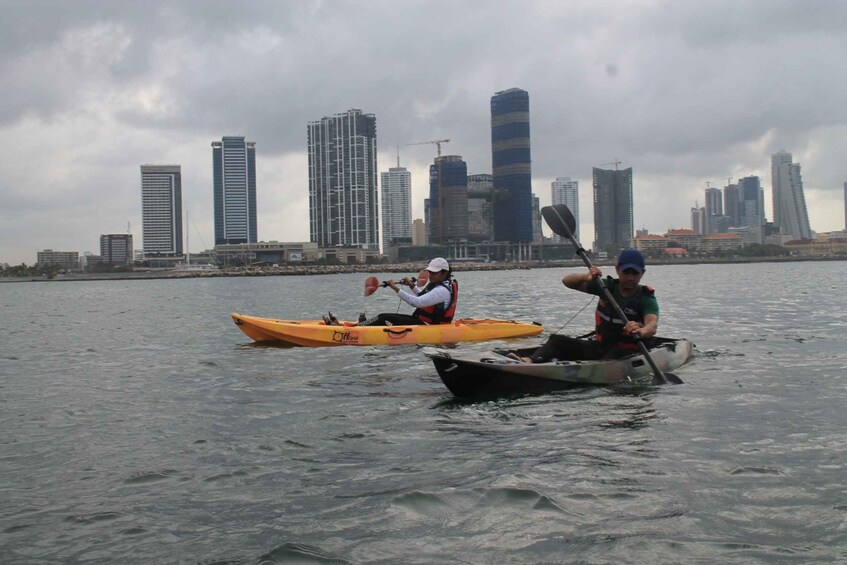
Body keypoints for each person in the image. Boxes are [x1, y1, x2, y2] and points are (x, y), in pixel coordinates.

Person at [527, 248, 659, 363]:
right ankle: (529, 361)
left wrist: (641, 331)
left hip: (628, 351)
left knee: (614, 355)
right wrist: (586, 276)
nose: (630, 278)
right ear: (618, 269)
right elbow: (567, 281)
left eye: (635, 273)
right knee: (557, 340)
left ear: (642, 273)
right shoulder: (606, 287)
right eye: (626, 272)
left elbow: (651, 326)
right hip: (600, 346)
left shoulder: (646, 298)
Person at [354, 257, 458, 326]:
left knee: (383, 317)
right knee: (382, 316)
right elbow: (424, 297)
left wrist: (395, 288)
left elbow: (417, 302)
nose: (430, 275)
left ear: (444, 273)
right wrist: (412, 285)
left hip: (428, 326)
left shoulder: (441, 291)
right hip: (423, 322)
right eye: (430, 272)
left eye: (434, 273)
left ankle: (360, 328)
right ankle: (363, 325)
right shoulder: (443, 286)